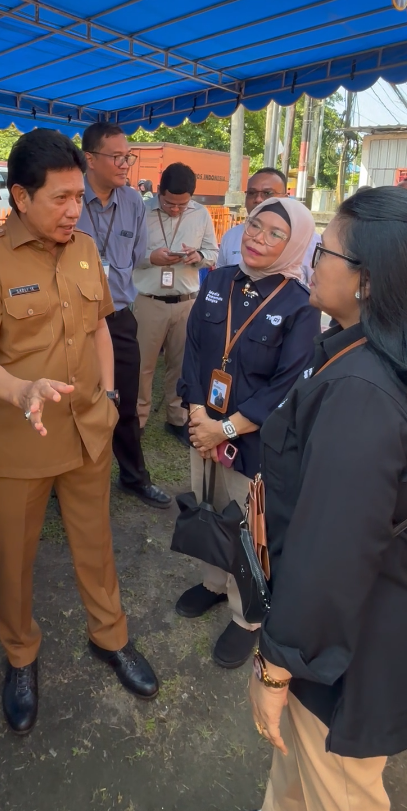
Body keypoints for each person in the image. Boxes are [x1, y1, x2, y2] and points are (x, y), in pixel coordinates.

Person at [0, 129, 159, 736]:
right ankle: (20, 656)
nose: (74, 209)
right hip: (22, 440)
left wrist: (111, 393)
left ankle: (110, 636)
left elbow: (99, 326)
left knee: (96, 545)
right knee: (14, 561)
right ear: (20, 196)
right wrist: (21, 390)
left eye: (77, 197)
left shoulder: (86, 248)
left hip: (87, 430)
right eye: (61, 198)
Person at [251, 186, 407, 811]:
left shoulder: (361, 393)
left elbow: (332, 550)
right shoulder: (354, 351)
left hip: (342, 653)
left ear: (365, 282)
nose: (312, 261)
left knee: (337, 790)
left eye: (324, 251)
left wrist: (277, 667)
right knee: (294, 782)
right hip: (340, 631)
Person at [177, 197, 321, 668]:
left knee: (245, 525)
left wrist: (224, 429)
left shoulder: (301, 306)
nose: (258, 238)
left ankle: (246, 618)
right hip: (206, 423)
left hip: (252, 439)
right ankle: (213, 584)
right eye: (255, 226)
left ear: (295, 243)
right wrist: (198, 412)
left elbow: (287, 387)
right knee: (207, 506)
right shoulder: (220, 279)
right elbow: (195, 347)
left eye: (274, 234)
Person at [76, 124, 171, 510]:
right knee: (72, 400)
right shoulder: (68, 196)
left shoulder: (132, 202)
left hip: (117, 317)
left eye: (127, 156)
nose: (125, 164)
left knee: (125, 402)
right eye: (117, 157)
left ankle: (134, 477)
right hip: (72, 322)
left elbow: (136, 258)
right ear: (90, 159)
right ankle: (65, 479)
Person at [133, 162, 219, 445]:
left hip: (186, 301)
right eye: (170, 203)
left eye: (182, 205)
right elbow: (126, 254)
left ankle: (177, 418)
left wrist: (199, 257)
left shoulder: (200, 213)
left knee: (182, 365)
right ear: (159, 192)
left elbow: (212, 252)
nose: (175, 209)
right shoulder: (140, 210)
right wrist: (150, 258)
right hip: (148, 300)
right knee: (142, 365)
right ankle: (138, 419)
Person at [217, 168, 320, 283]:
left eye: (267, 193)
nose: (258, 199)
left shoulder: (311, 243)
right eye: (252, 193)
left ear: (285, 198)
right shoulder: (231, 236)